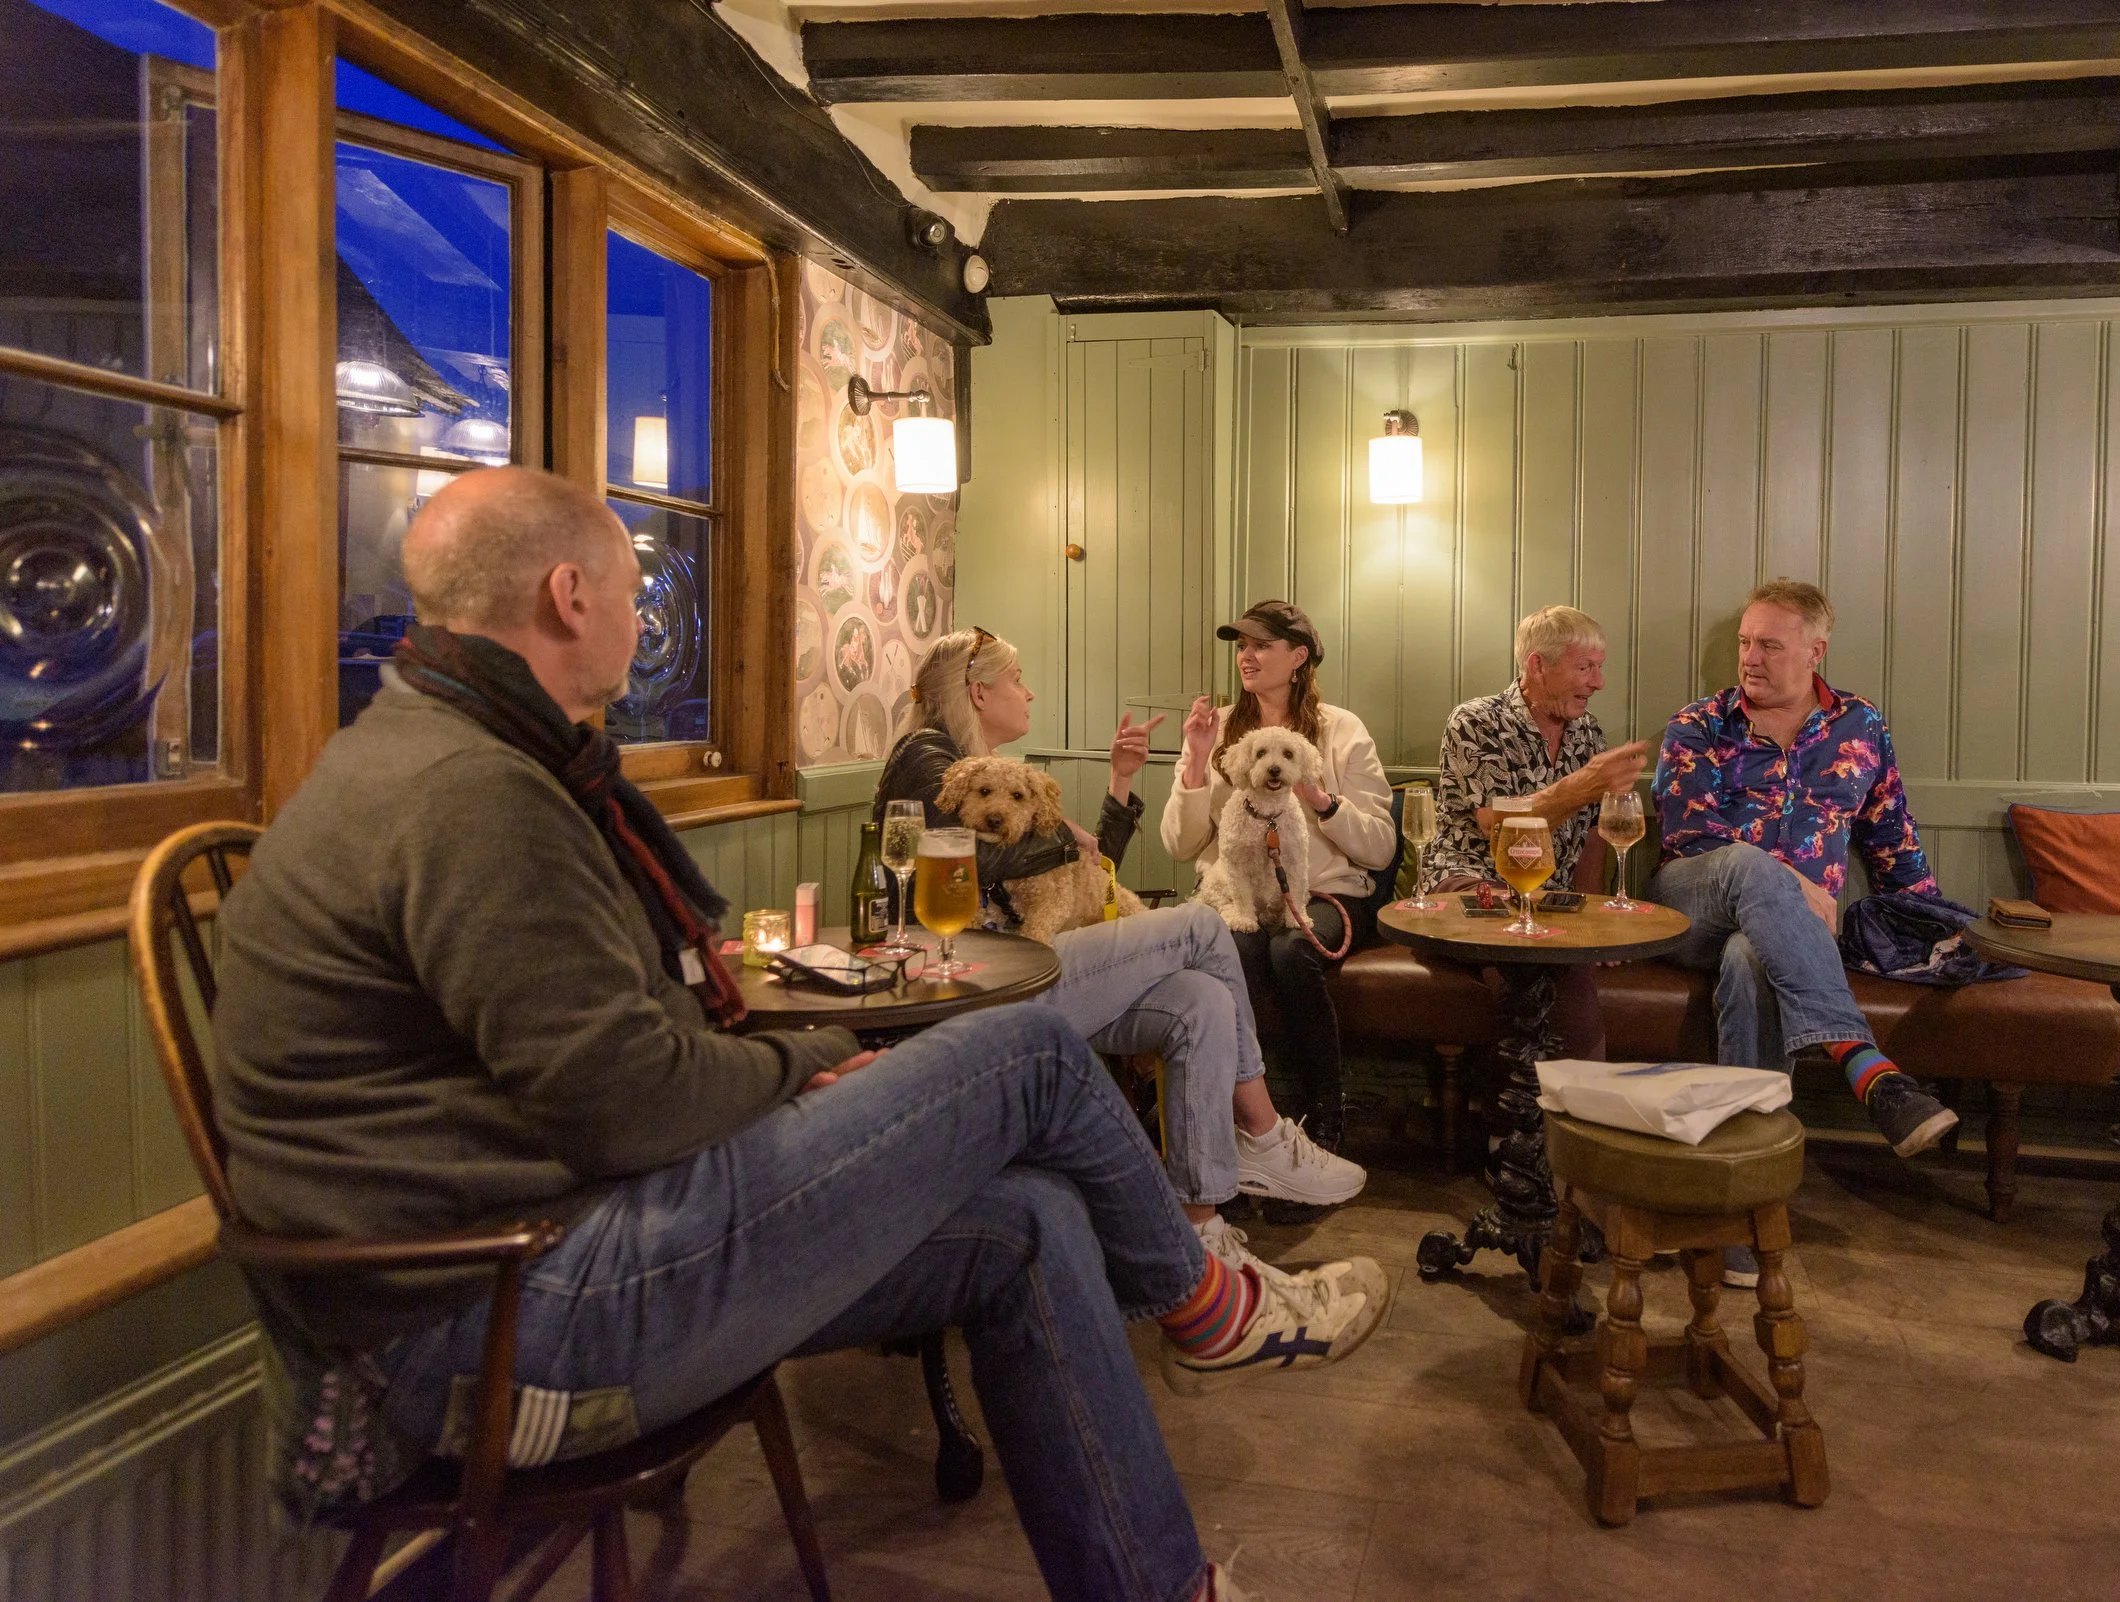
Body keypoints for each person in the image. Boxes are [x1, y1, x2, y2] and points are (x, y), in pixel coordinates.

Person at [209, 468, 1388, 1602]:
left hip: (524, 1262)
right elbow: (632, 1105)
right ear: (570, 599)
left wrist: (794, 1074)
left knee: (1031, 1218)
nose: (649, 613)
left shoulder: (453, 754)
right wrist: (819, 1062)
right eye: (634, 589)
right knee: (1021, 1050)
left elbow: (607, 1068)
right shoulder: (471, 793)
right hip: (492, 1331)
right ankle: (1213, 1309)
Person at [875, 626, 1369, 1263]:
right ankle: (1266, 1131)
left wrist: (1117, 783)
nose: (1028, 693)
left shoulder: (992, 772)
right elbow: (990, 854)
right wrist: (1065, 831)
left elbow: (1089, 863)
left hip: (1022, 962)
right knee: (1201, 926)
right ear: (977, 691)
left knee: (1200, 1001)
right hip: (981, 974)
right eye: (1017, 681)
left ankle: (1199, 1226)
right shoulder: (930, 755)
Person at [1652, 579, 1959, 1280]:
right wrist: (1795, 887)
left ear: (1816, 650)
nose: (1749, 659)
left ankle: (1741, 1215)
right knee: (1751, 876)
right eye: (1743, 643)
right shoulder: (1698, 724)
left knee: (1749, 958)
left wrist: (1934, 930)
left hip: (1772, 940)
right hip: (1690, 900)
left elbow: (1894, 846)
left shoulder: (1861, 727)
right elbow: (1692, 834)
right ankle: (1866, 1067)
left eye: (1769, 645)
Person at [1161, 601, 1397, 1151]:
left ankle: (1325, 1111)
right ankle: (1240, 1125)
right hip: (1237, 892)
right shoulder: (1217, 730)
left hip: (1326, 893)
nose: (1247, 656)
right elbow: (1180, 845)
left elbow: (1382, 848)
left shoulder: (1341, 730)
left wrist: (1319, 799)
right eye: (1241, 646)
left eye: (1262, 645)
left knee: (1291, 949)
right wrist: (1195, 763)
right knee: (1233, 951)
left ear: (1298, 657)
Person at [1422, 605, 1650, 1057]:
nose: (1598, 682)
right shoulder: (1475, 721)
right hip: (1469, 883)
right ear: (1537, 665)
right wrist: (1581, 785)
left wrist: (1592, 920)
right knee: (1524, 954)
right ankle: (1541, 1113)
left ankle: (1559, 1114)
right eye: (1585, 667)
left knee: (1566, 958)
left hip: (1546, 899)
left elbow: (1590, 837)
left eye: (1599, 668)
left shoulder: (1588, 733)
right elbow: (1497, 827)